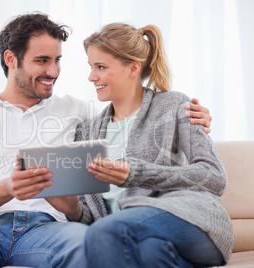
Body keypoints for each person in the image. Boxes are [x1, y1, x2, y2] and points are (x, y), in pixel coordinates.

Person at [0, 13, 212, 268]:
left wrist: (190, 116)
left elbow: (133, 115)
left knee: (97, 245)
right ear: (11, 60)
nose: (53, 70)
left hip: (48, 228)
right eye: (42, 61)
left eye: (58, 60)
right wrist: (11, 187)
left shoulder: (79, 111)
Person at [76, 23, 234, 267]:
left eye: (100, 67)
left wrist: (137, 173)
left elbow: (214, 176)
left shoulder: (175, 106)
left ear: (133, 68)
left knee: (103, 232)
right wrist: (68, 207)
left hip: (190, 218)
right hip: (137, 236)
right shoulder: (86, 132)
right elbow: (90, 212)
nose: (91, 76)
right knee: (150, 252)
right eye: (91, 67)